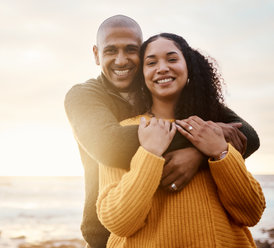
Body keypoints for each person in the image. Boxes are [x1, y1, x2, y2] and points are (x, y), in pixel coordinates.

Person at [64, 15, 260, 248]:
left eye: (130, 50)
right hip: (104, 237)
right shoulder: (85, 95)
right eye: (110, 51)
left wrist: (202, 151)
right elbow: (110, 145)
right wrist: (200, 139)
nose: (121, 60)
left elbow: (247, 134)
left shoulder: (171, 90)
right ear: (96, 54)